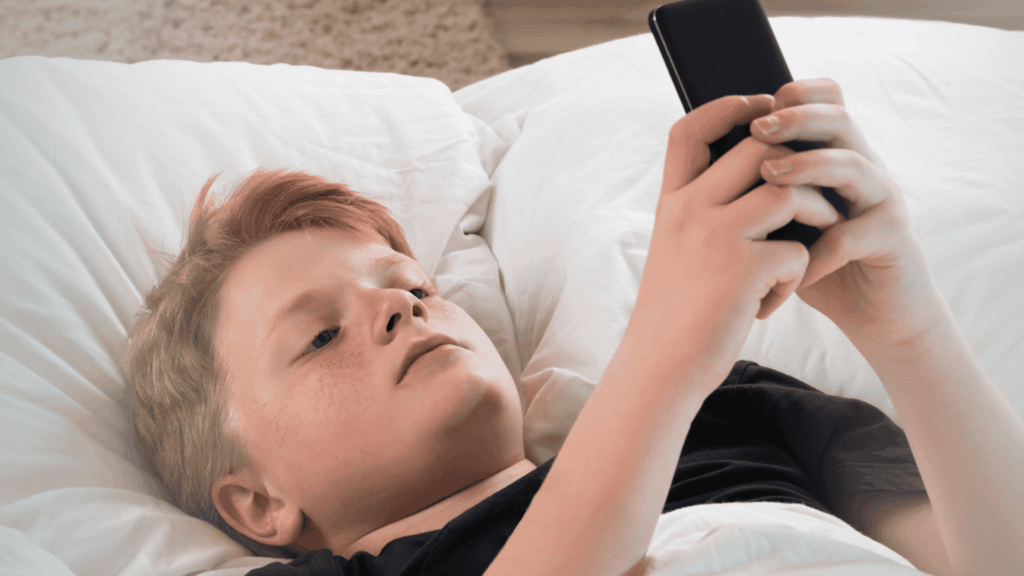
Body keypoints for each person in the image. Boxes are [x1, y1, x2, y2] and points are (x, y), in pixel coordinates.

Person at [121, 78, 1024, 576]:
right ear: (261, 504)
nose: (401, 305)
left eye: (414, 285)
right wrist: (667, 351)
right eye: (320, 335)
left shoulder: (728, 413)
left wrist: (907, 330)